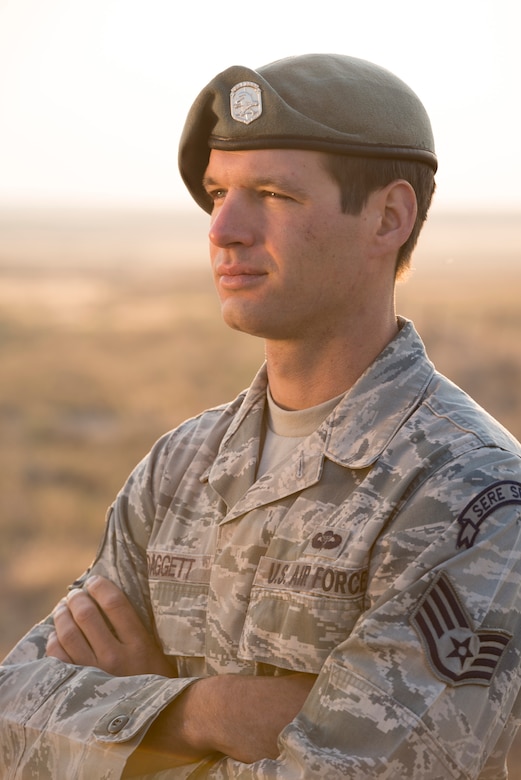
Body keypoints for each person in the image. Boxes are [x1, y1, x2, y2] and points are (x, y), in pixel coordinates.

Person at [1, 53, 520, 780]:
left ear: (388, 217)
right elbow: (12, 721)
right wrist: (201, 710)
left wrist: (132, 742)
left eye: (272, 193)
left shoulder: (470, 496)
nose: (223, 229)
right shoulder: (179, 466)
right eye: (218, 192)